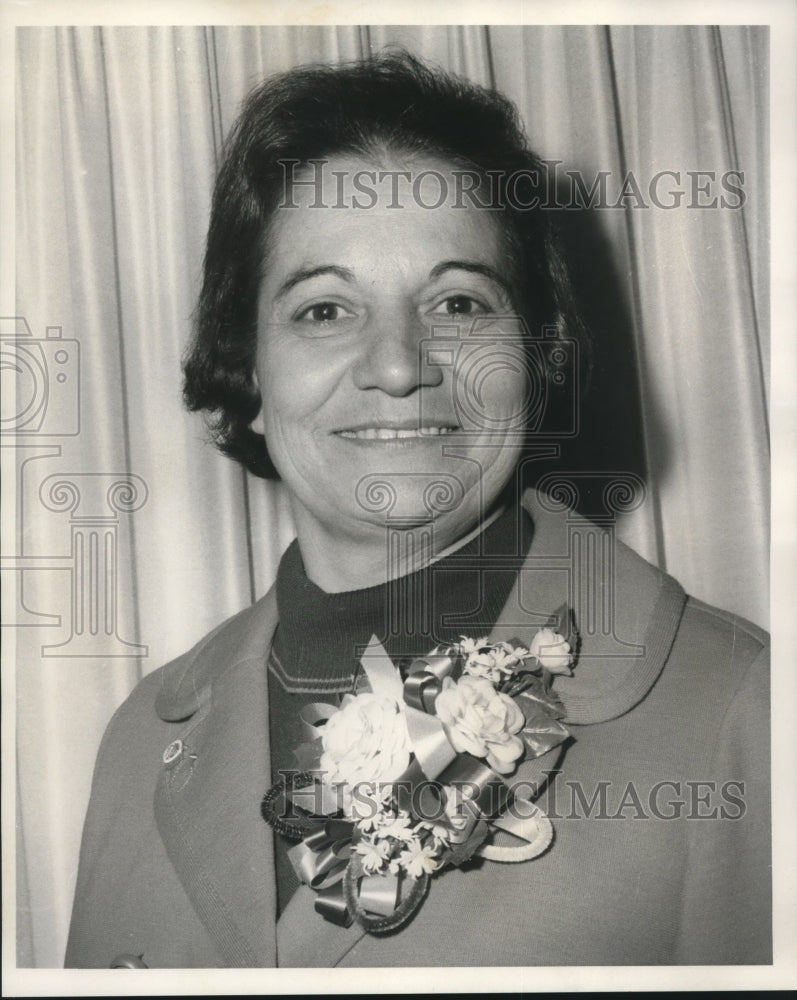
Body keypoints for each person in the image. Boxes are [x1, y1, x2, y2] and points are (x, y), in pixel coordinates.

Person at [64, 51, 770, 968]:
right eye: (323, 310)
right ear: (245, 372)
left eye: (458, 301)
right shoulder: (139, 740)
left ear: (538, 353)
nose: (398, 365)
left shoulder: (743, 715)